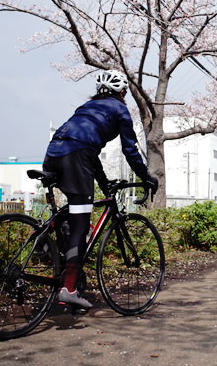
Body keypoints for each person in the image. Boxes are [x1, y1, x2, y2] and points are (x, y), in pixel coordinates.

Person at [43, 69, 158, 308]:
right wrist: (145, 175)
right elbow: (129, 150)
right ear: (123, 92)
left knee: (71, 212)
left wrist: (104, 184)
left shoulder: (85, 109)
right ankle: (69, 289)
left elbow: (87, 148)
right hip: (76, 157)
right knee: (81, 223)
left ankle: (47, 240)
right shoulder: (120, 110)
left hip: (54, 152)